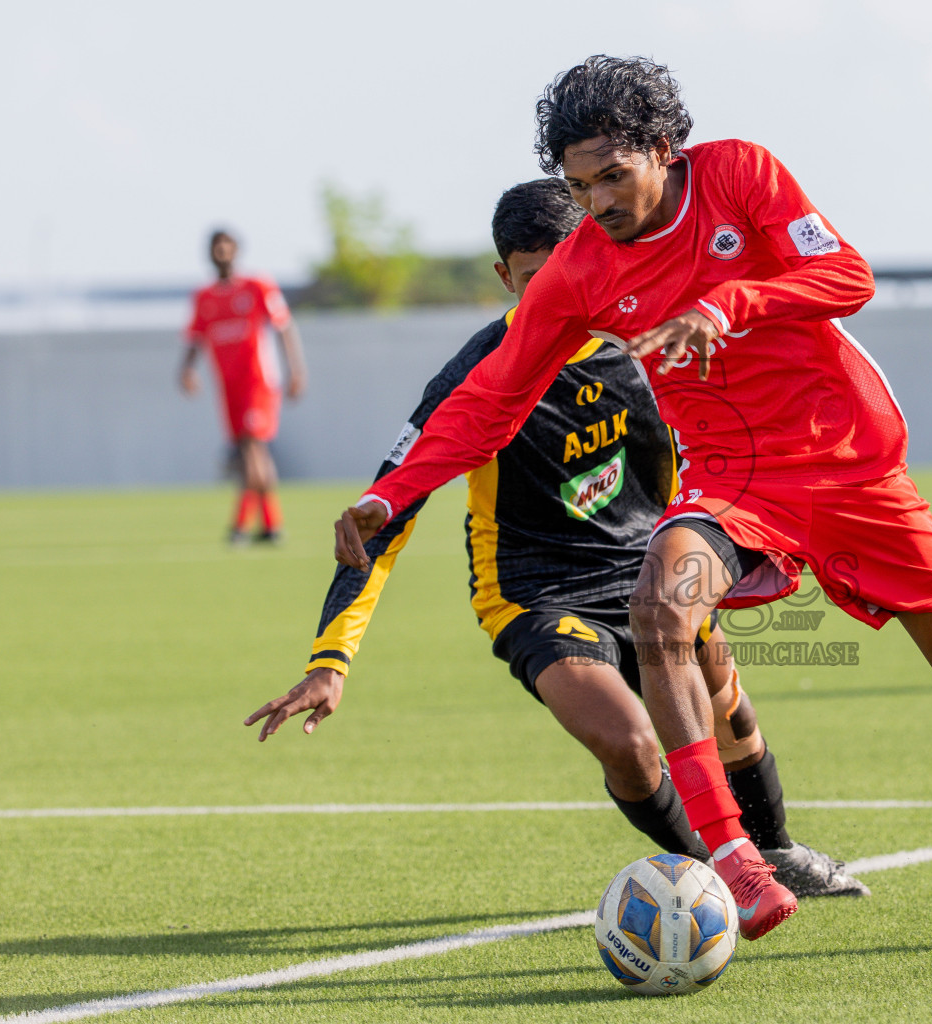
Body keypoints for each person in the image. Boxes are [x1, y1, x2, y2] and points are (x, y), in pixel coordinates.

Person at [333, 57, 932, 943]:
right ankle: (734, 860)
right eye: (580, 186)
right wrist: (392, 492)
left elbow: (847, 274)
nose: (600, 200)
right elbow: (492, 396)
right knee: (662, 605)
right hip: (733, 480)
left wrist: (729, 305)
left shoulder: (738, 173)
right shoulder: (578, 268)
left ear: (663, 148)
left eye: (615, 174)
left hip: (851, 465)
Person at [243, 179, 867, 901]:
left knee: (729, 706)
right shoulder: (475, 375)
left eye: (568, 270)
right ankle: (727, 876)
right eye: (534, 281)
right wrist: (331, 659)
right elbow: (388, 512)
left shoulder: (648, 345)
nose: (558, 298)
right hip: (535, 592)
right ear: (506, 279)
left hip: (651, 568)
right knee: (630, 743)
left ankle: (778, 851)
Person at [181, 230, 307, 543]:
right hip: (228, 386)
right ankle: (270, 525)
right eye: (215, 247)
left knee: (253, 449)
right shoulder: (205, 297)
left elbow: (284, 325)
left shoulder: (256, 286)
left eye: (226, 246)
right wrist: (186, 369)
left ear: (236, 250)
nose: (221, 252)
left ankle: (240, 525)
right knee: (249, 453)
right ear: (209, 253)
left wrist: (296, 370)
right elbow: (195, 338)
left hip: (258, 381)